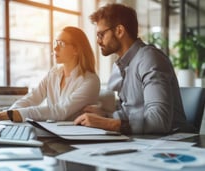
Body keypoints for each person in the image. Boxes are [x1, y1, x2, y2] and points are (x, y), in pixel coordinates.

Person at [74, 3, 195, 134]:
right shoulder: (120, 65)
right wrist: (105, 115)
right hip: (142, 141)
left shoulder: (149, 59)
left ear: (119, 31)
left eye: (101, 34)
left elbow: (158, 121)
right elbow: (131, 113)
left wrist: (106, 123)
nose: (98, 41)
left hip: (173, 143)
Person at [0, 26, 100, 123]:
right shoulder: (53, 74)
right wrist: (10, 114)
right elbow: (32, 98)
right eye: (55, 42)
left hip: (75, 139)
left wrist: (1, 116)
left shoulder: (90, 81)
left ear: (76, 49)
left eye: (61, 43)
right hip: (52, 131)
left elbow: (60, 111)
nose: (55, 48)